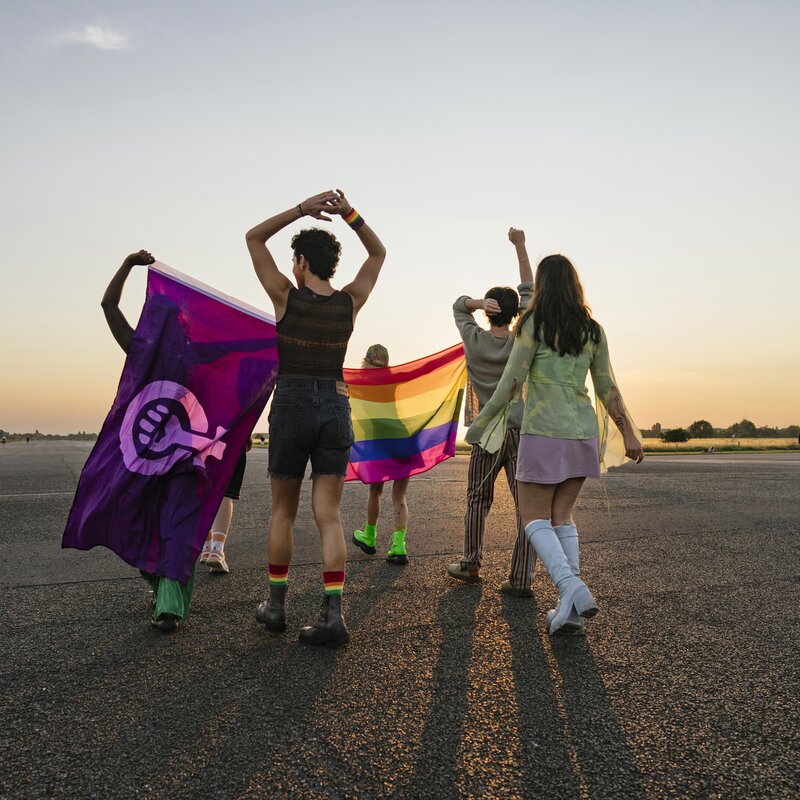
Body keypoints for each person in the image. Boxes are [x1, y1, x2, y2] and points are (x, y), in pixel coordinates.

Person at [466, 253, 644, 635]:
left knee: (533, 518)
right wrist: (627, 431)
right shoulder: (593, 330)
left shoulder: (533, 324)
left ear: (543, 286)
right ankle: (571, 611)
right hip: (581, 432)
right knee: (562, 516)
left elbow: (512, 381)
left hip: (544, 430)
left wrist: (482, 423)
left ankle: (570, 586)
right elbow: (607, 387)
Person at [247, 190, 386, 647]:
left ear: (303, 261)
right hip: (334, 405)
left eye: (295, 261)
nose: (291, 268)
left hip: (290, 403)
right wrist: (349, 214)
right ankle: (332, 616)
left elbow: (253, 237)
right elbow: (378, 251)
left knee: (283, 511)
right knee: (328, 514)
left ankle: (276, 607)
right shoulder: (350, 302)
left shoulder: (286, 297)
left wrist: (302, 210)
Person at [101, 249, 197, 632]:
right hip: (183, 456)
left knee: (140, 523)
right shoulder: (191, 354)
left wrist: (126, 263)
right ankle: (166, 594)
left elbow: (108, 304)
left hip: (144, 456)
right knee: (176, 527)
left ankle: (167, 602)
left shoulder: (140, 348)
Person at [448, 228, 537, 597]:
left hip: (487, 431)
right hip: (520, 428)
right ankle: (520, 578)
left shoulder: (474, 339)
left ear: (489, 311)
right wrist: (520, 245)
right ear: (518, 313)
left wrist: (476, 303)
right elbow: (530, 289)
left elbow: (457, 305)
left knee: (476, 499)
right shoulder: (523, 339)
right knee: (527, 506)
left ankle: (471, 561)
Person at [352, 344, 411, 565]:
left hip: (378, 441)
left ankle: (369, 536)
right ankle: (399, 546)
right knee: (399, 496)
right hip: (401, 438)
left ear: (366, 360)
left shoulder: (362, 383)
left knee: (375, 491)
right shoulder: (392, 381)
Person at [198, 440, 251, 574]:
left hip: (202, 433)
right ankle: (217, 549)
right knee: (225, 491)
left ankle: (206, 546)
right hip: (232, 433)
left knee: (202, 489)